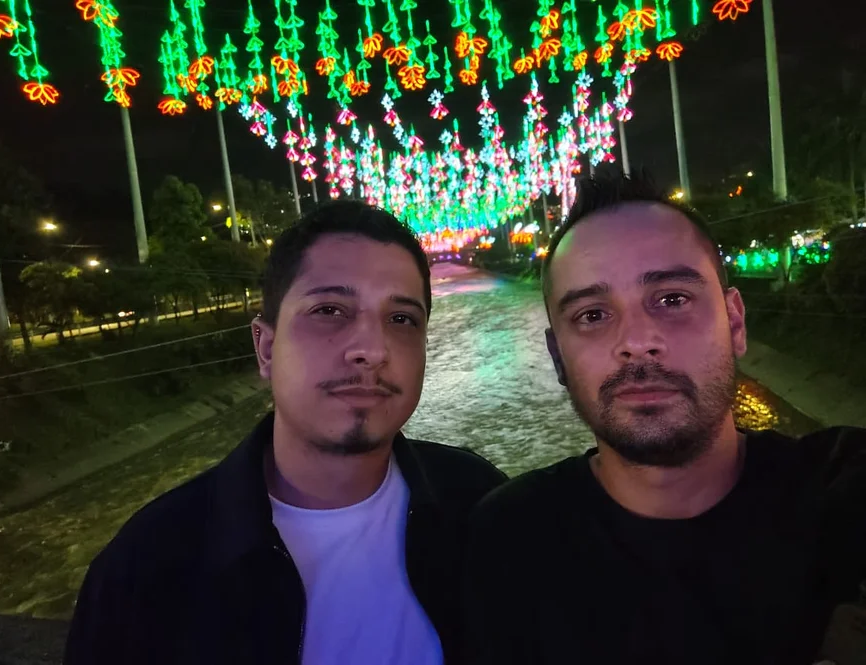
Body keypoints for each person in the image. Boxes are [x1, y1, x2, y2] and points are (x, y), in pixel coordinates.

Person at [65, 200, 506, 665]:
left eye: (402, 319)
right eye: (330, 310)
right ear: (267, 348)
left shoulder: (482, 509)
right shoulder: (146, 568)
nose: (372, 350)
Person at [466, 171, 866, 665]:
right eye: (592, 315)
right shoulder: (512, 543)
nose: (637, 341)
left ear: (735, 323)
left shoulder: (843, 491)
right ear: (557, 358)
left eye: (672, 299)